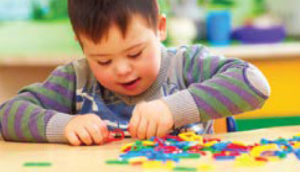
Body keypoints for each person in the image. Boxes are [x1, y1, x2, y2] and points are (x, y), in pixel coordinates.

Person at [0, 0, 270, 146]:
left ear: (160, 28)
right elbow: (7, 116)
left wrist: (172, 109)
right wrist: (65, 125)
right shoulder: (75, 79)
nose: (122, 70)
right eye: (103, 60)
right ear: (81, 44)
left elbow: (254, 84)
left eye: (135, 53)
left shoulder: (186, 65)